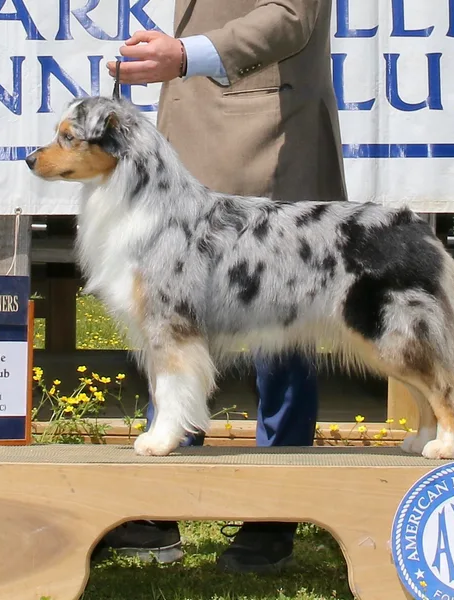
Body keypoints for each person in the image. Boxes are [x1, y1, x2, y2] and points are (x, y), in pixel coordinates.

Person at [94, 0, 348, 574]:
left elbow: (291, 16)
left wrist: (185, 54)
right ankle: (162, 507)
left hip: (267, 138)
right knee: (170, 317)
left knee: (280, 330)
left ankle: (273, 510)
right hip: (188, 140)